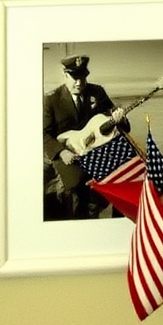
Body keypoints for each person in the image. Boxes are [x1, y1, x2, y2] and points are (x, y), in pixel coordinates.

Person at [43, 53, 129, 219]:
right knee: (76, 190)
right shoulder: (51, 99)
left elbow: (115, 122)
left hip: (96, 151)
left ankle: (118, 223)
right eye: (74, 77)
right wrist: (62, 152)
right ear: (65, 74)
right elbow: (45, 133)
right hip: (69, 153)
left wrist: (120, 119)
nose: (79, 82)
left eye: (83, 77)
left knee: (122, 180)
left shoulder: (97, 92)